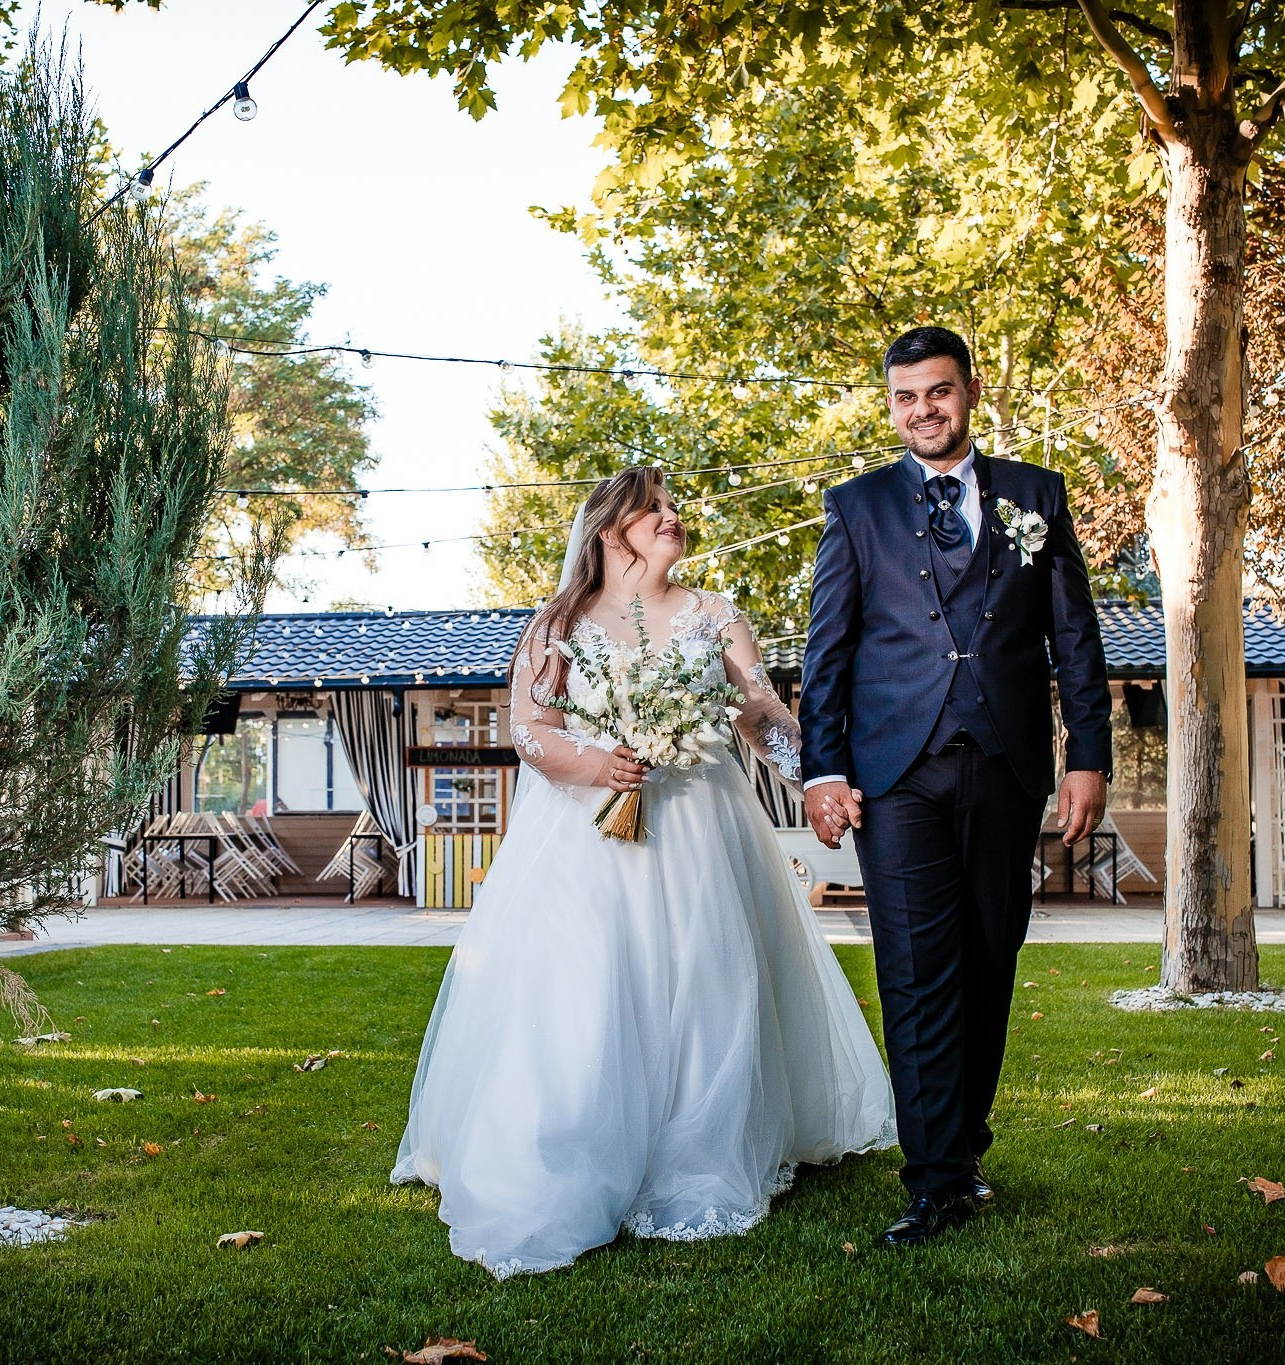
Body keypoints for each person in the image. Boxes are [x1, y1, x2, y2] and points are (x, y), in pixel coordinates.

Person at [391, 466, 894, 1279]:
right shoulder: (557, 622)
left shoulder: (715, 615)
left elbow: (760, 711)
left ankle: (697, 1147)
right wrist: (597, 762)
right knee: (585, 987)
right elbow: (528, 729)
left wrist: (812, 771)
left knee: (707, 979)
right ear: (607, 532)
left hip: (700, 825)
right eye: (650, 510)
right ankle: (570, 1142)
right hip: (586, 835)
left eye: (669, 507)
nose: (670, 517)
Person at [800, 325, 1112, 1247]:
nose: (921, 411)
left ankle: (963, 1145)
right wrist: (824, 768)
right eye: (904, 398)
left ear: (970, 391)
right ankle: (932, 1179)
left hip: (1007, 766)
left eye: (937, 392)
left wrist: (1088, 755)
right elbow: (829, 654)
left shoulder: (1034, 496)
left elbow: (1077, 640)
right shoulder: (856, 508)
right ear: (890, 405)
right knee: (914, 969)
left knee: (989, 958)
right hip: (895, 776)